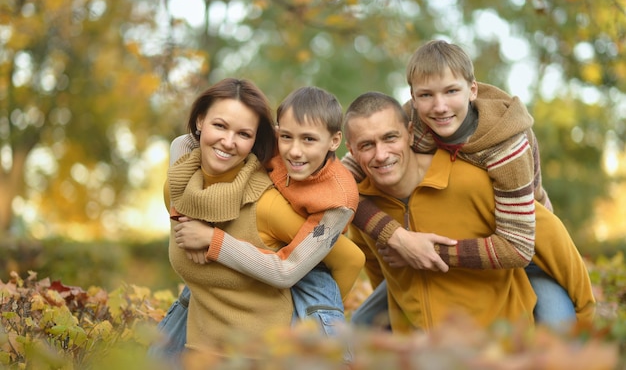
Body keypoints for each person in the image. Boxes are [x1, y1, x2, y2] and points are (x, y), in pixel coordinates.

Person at [343, 40, 575, 329]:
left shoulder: (506, 146)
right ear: (413, 99)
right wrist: (399, 238)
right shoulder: (409, 122)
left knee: (558, 327)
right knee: (361, 326)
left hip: (524, 243)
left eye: (451, 91)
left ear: (472, 90)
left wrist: (424, 252)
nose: (439, 107)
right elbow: (341, 186)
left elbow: (517, 248)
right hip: (449, 244)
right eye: (426, 95)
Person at [150, 81, 363, 364]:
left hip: (298, 276)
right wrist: (184, 208)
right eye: (287, 136)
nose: (295, 152)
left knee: (310, 285)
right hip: (206, 340)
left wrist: (315, 313)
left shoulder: (333, 203)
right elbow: (183, 141)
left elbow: (337, 261)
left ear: (334, 142)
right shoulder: (275, 143)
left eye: (309, 140)